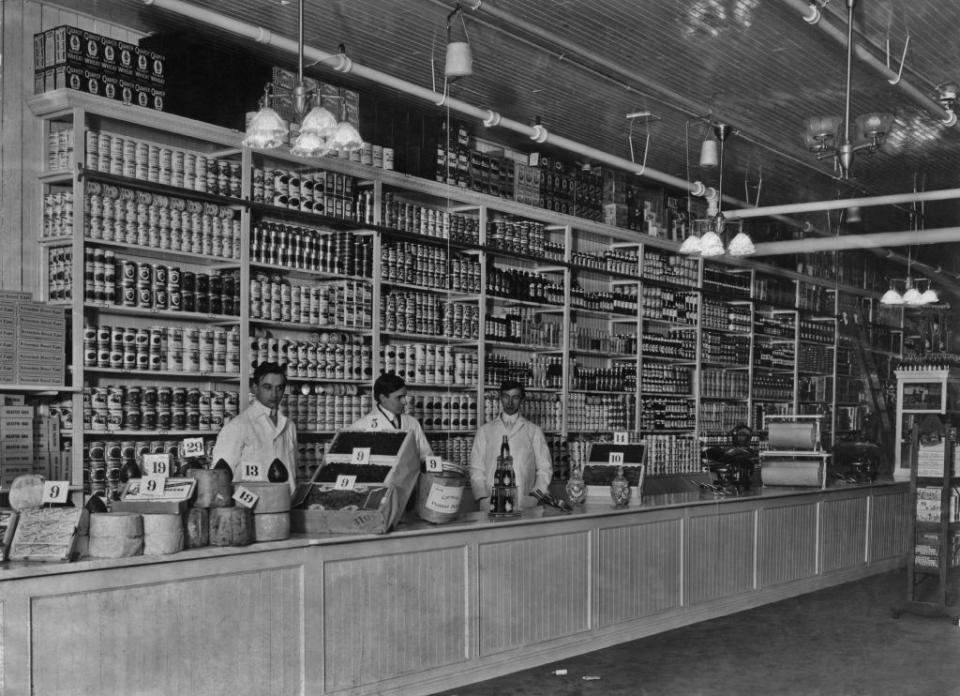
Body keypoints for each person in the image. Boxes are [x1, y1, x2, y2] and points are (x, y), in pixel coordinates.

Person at [212, 361, 298, 492]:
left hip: (286, 505)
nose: (274, 394)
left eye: (279, 388)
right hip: (251, 507)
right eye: (267, 387)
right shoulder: (237, 426)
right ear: (254, 388)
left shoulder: (289, 426)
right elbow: (219, 478)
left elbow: (292, 470)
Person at [470, 380, 553, 510]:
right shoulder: (485, 431)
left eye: (515, 397)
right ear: (500, 397)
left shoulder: (533, 431)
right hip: (492, 502)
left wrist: (535, 496)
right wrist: (482, 497)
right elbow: (477, 468)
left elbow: (545, 468)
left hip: (524, 503)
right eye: (506, 396)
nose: (509, 402)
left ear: (522, 400)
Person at [349, 373, 433, 461]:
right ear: (383, 398)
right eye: (399, 397)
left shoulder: (412, 422)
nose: (405, 402)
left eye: (404, 396)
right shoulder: (360, 427)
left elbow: (427, 457)